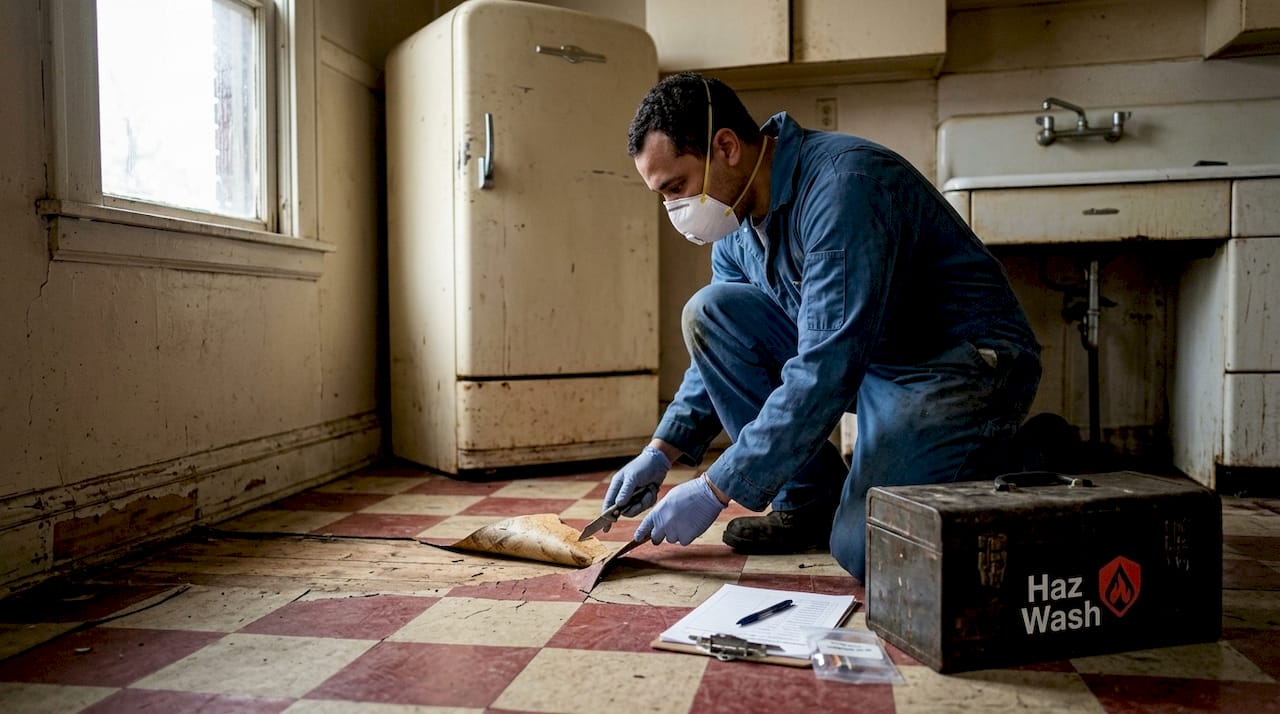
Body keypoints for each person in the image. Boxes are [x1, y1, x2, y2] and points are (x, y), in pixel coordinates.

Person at [602, 72, 1041, 581]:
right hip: (872, 362)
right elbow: (722, 355)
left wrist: (716, 487)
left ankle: (1027, 455)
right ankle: (809, 503)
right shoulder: (735, 219)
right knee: (711, 310)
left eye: (676, 187)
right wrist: (660, 451)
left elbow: (826, 365)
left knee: (867, 549)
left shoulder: (843, 186)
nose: (674, 208)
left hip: (957, 368)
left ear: (725, 147)